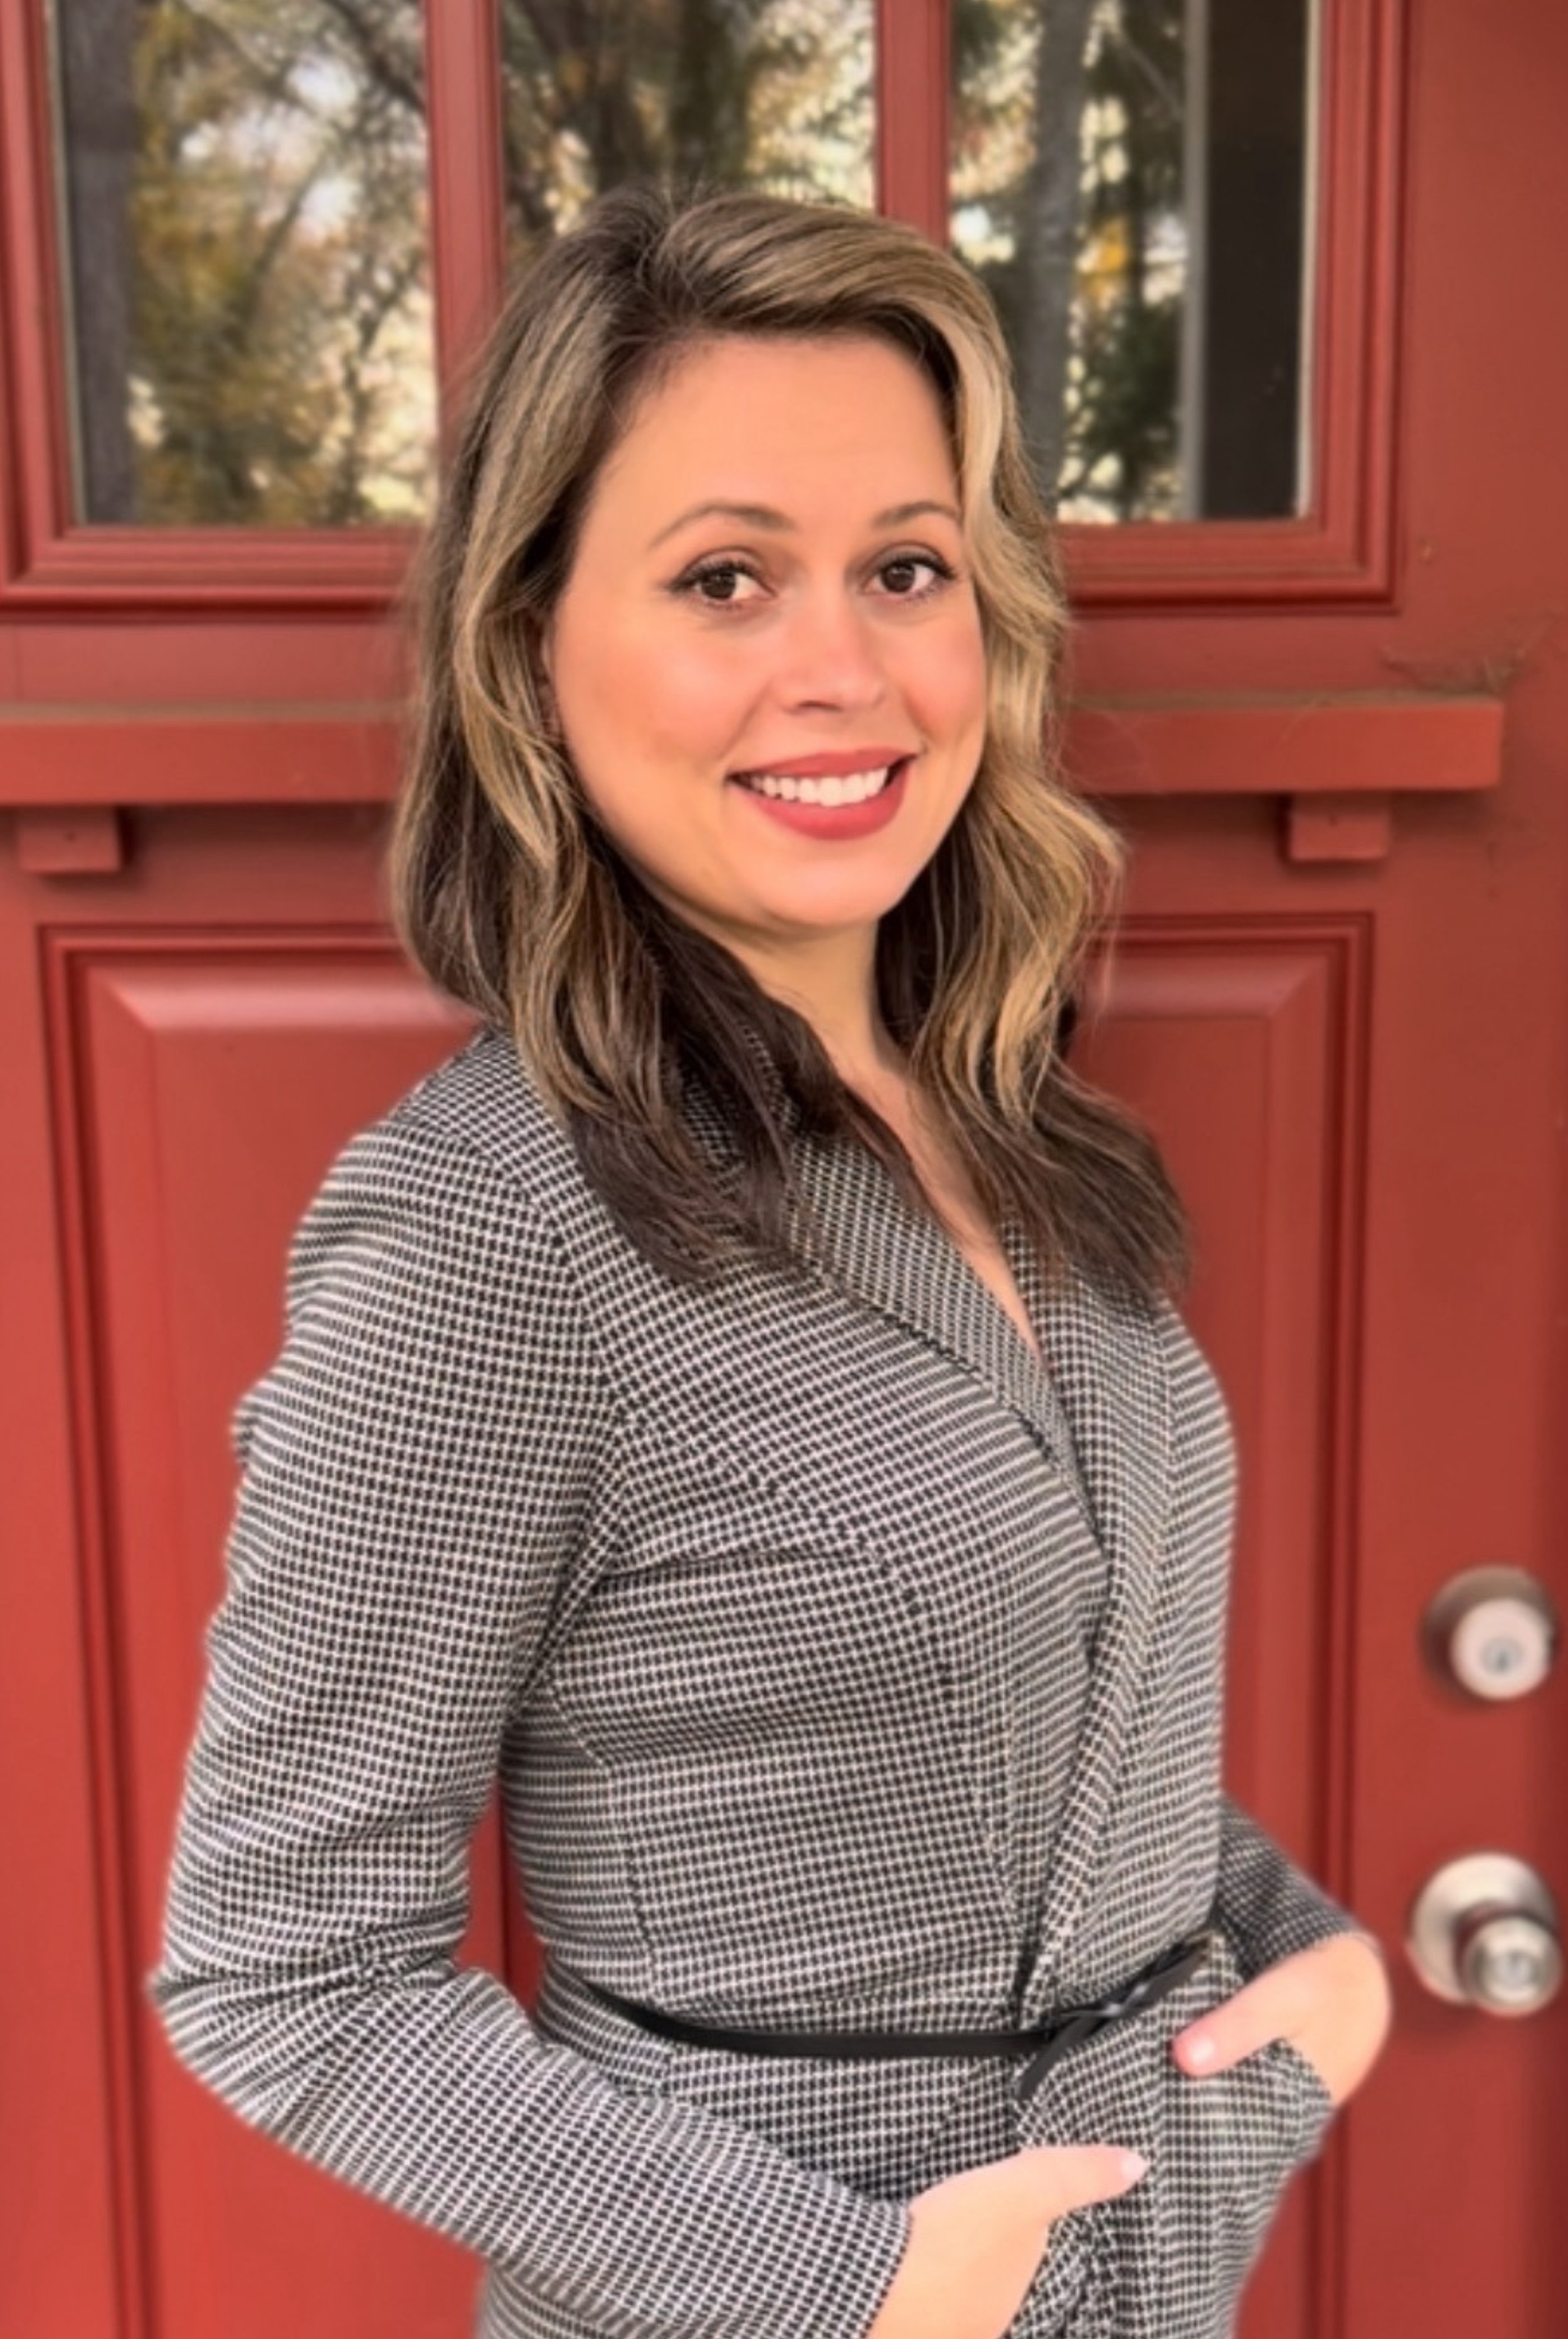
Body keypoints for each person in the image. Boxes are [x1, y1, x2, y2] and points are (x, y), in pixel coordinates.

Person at [149, 183, 1392, 2339]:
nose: (845, 670)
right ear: (532, 646)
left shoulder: (1013, 1130)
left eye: (905, 567)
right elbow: (283, 1969)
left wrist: (1306, 1967)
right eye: (724, 577)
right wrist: (859, 2283)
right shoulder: (484, 1242)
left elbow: (1057, 1708)